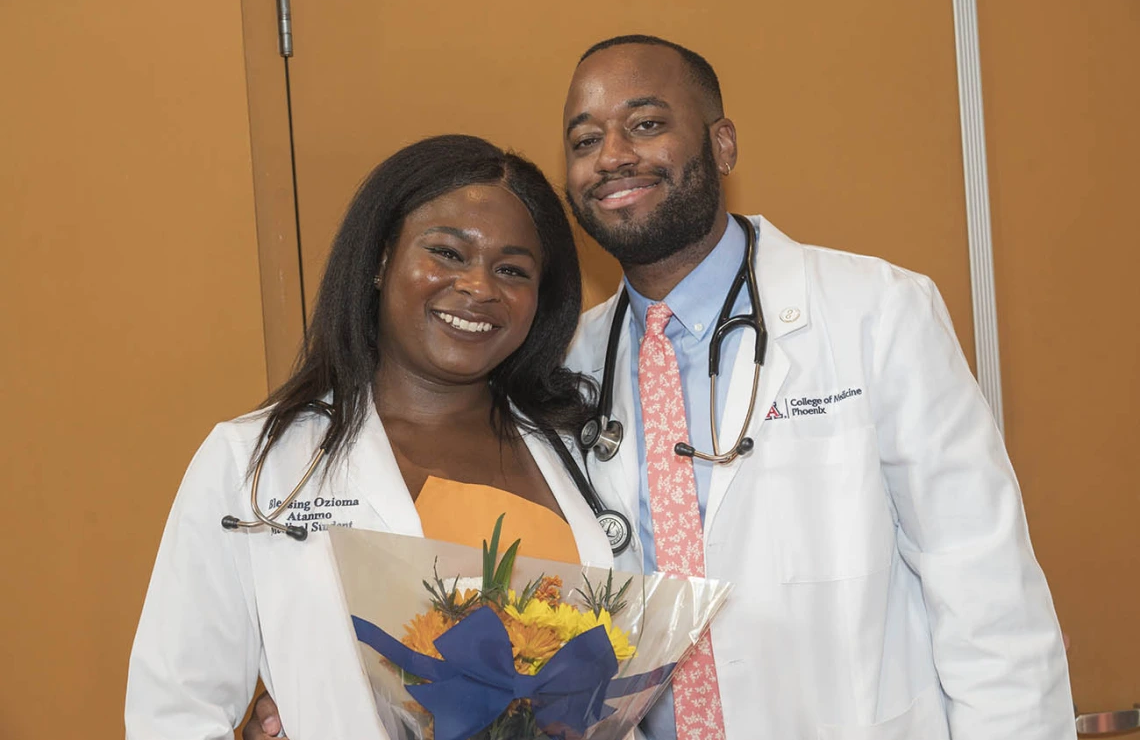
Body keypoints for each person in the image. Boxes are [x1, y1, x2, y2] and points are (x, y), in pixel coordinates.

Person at [244, 36, 1077, 740]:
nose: (613, 156)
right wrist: (321, 685)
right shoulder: (557, 366)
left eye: (645, 124)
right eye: (584, 139)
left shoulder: (875, 313)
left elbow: (987, 595)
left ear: (721, 145)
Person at [126, 134, 614, 740]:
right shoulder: (256, 463)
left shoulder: (579, 451)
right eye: (448, 253)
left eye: (512, 270)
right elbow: (175, 713)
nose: (480, 287)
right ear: (381, 260)